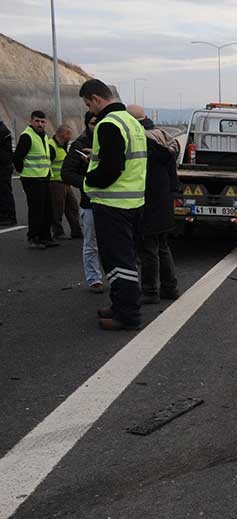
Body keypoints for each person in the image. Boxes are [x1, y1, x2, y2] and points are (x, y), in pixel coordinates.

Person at [79, 79, 148, 331]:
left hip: (113, 205)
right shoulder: (132, 121)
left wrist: (89, 176)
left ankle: (127, 315)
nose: (90, 110)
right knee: (125, 258)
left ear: (96, 98)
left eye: (89, 104)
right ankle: (120, 306)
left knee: (118, 262)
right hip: (133, 202)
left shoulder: (108, 124)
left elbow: (111, 168)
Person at [126, 104, 180, 305]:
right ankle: (169, 287)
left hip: (148, 201)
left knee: (148, 249)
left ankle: (149, 291)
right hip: (164, 200)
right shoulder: (163, 137)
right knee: (162, 246)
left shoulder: (142, 141)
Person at [62, 112, 104, 293]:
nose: (97, 126)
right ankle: (94, 279)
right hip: (90, 202)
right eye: (94, 123)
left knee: (113, 243)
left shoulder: (111, 142)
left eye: (100, 123)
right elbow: (67, 173)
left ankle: (115, 276)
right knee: (91, 243)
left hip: (114, 202)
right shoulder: (79, 145)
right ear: (87, 125)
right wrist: (87, 184)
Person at [13, 111, 56, 249]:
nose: (40, 124)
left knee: (47, 209)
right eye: (37, 121)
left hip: (43, 176)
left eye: (43, 122)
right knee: (37, 210)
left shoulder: (43, 136)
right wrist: (22, 170)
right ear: (31, 121)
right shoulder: (27, 136)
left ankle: (45, 237)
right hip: (32, 178)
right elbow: (17, 157)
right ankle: (34, 237)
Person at [47, 124, 83, 240]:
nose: (70, 137)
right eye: (69, 134)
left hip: (65, 182)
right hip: (55, 182)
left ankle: (76, 231)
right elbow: (47, 165)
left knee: (72, 207)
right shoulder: (51, 146)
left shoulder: (63, 146)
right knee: (57, 208)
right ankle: (57, 232)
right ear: (64, 134)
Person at [0, 118, 16, 226]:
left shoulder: (2, 131)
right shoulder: (3, 130)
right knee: (4, 192)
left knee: (4, 192)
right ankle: (6, 215)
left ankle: (8, 216)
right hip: (5, 165)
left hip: (3, 167)